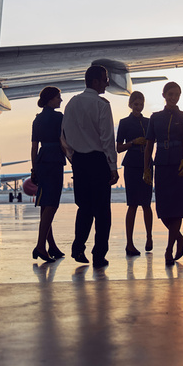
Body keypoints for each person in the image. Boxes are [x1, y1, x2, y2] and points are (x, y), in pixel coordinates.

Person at [61, 65, 119, 269]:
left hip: (79, 162)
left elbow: (64, 135)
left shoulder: (71, 103)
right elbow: (107, 139)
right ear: (95, 82)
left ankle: (78, 247)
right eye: (105, 79)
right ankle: (99, 254)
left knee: (84, 207)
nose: (107, 83)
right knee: (102, 211)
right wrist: (113, 166)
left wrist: (72, 157)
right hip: (98, 161)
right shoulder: (102, 105)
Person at [144, 82, 183, 266]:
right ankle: (180, 239)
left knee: (178, 209)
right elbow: (149, 145)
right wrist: (146, 168)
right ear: (164, 94)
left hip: (180, 165)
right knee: (163, 210)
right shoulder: (155, 118)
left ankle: (169, 249)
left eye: (177, 94)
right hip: (162, 164)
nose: (174, 97)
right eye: (171, 94)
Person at [31, 86, 66, 263]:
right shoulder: (59, 118)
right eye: (58, 97)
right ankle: (40, 246)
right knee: (52, 204)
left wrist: (33, 168)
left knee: (46, 204)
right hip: (54, 160)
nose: (61, 100)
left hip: (41, 160)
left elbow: (34, 146)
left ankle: (50, 245)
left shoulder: (37, 120)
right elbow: (64, 142)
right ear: (51, 99)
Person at [116, 91, 154, 256]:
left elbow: (154, 141)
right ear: (131, 105)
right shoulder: (124, 123)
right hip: (131, 165)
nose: (139, 107)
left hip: (146, 164)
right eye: (136, 104)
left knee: (146, 204)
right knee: (132, 204)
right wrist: (132, 143)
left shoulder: (149, 122)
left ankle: (149, 237)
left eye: (141, 104)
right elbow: (118, 148)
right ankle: (129, 242)